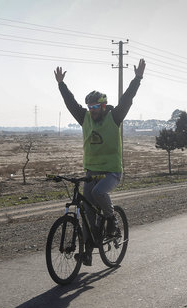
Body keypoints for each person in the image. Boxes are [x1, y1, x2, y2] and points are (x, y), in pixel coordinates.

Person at [54, 58, 145, 266]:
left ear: (103, 106)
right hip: (91, 171)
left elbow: (127, 100)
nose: (91, 109)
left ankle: (112, 218)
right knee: (86, 211)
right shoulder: (85, 118)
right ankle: (86, 252)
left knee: (98, 193)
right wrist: (61, 85)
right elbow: (71, 103)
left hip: (112, 172)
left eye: (95, 106)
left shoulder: (114, 117)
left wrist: (137, 78)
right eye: (89, 106)